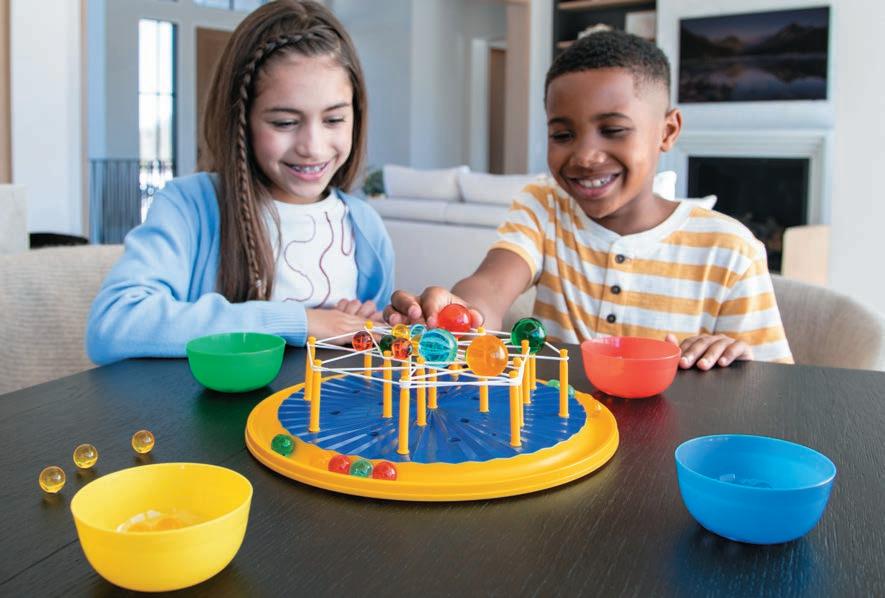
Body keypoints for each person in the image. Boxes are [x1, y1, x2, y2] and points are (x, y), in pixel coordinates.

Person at [385, 30, 792, 369]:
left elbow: (770, 387)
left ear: (667, 131)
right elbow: (491, 285)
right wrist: (460, 311)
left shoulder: (731, 250)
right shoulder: (544, 207)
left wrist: (735, 359)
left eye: (613, 130)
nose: (584, 156)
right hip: (559, 430)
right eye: (562, 135)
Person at [87, 0, 393, 365]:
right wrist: (300, 321)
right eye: (284, 123)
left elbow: (373, 355)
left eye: (334, 120)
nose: (312, 147)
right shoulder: (189, 206)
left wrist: (374, 326)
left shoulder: (365, 228)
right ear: (241, 122)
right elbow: (113, 325)